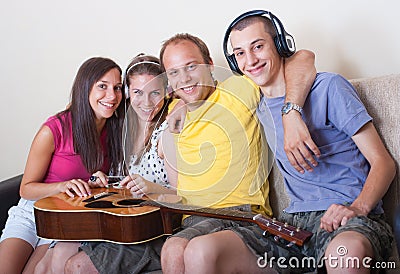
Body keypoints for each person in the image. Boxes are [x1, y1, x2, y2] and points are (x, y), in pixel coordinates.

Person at [224, 10, 396, 272]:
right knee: (205, 250)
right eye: (240, 53)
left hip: (347, 218)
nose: (250, 60)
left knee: (345, 253)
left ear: (280, 45)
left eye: (258, 46)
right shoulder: (255, 105)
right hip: (293, 225)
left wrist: (358, 207)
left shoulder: (328, 87)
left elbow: (384, 163)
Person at [159, 33, 317, 274]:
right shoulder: (173, 113)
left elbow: (304, 58)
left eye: (191, 67)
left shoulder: (240, 88)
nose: (184, 78)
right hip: (194, 219)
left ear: (210, 64)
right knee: (171, 250)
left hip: (241, 216)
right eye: (174, 72)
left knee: (198, 250)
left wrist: (292, 112)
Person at [34, 54, 176, 274]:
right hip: (117, 223)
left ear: (166, 92)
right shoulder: (121, 128)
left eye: (155, 92)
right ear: (127, 93)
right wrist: (97, 180)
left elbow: (183, 195)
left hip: (153, 228)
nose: (146, 102)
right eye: (137, 92)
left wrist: (153, 188)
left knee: (74, 265)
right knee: (49, 262)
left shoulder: (169, 131)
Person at [0, 57, 125, 273]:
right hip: (33, 213)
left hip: (67, 219)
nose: (112, 96)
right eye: (102, 87)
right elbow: (26, 188)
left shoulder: (116, 131)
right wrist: (62, 185)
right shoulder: (54, 129)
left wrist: (94, 181)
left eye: (118, 88)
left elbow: (92, 183)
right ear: (85, 88)